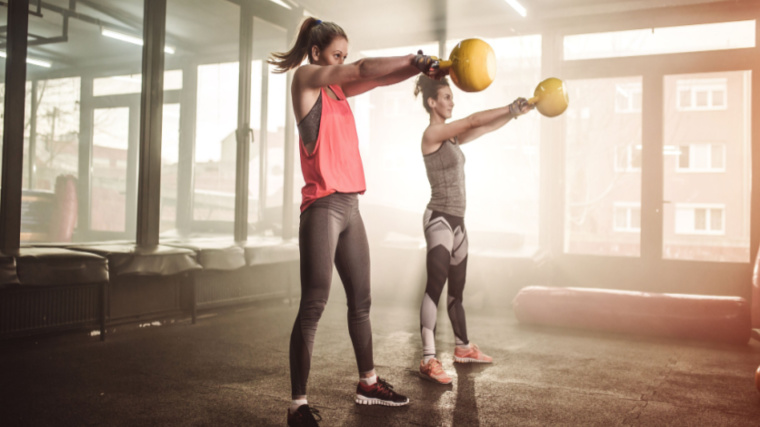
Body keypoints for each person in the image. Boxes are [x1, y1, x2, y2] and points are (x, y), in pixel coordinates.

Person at [268, 17, 441, 427]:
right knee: (313, 305)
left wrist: (420, 67)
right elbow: (364, 70)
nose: (343, 62)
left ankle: (368, 383)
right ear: (316, 54)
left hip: (351, 208)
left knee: (361, 302)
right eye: (336, 55)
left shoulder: (337, 91)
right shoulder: (307, 80)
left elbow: (377, 80)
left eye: (344, 56)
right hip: (323, 209)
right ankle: (298, 406)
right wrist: (415, 57)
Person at [413, 75, 533, 384]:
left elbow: (483, 126)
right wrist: (508, 105)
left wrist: (513, 114)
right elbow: (473, 119)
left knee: (457, 291)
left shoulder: (451, 137)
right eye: (447, 97)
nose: (452, 102)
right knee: (435, 286)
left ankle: (463, 348)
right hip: (439, 219)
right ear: (432, 102)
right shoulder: (433, 133)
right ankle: (428, 358)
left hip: (458, 221)